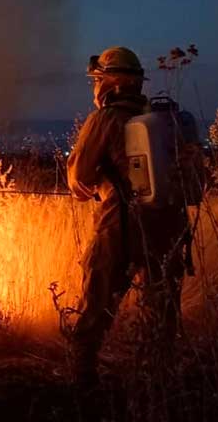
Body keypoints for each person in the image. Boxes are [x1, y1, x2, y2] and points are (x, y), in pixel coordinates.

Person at [67, 47, 188, 386]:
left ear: (111, 82)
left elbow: (78, 178)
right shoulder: (165, 120)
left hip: (120, 225)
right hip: (169, 226)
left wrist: (94, 190)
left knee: (98, 300)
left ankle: (82, 380)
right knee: (161, 312)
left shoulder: (105, 119)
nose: (96, 86)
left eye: (98, 79)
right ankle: (157, 381)